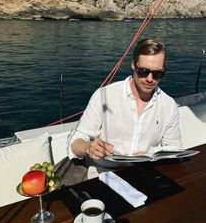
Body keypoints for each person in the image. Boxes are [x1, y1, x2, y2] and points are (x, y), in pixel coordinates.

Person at [66, 38, 183, 177]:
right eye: (144, 71)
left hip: (145, 171)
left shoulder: (168, 105)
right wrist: (88, 147)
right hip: (103, 172)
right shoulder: (104, 95)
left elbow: (175, 149)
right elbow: (75, 141)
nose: (150, 79)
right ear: (133, 65)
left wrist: (151, 153)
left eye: (157, 73)